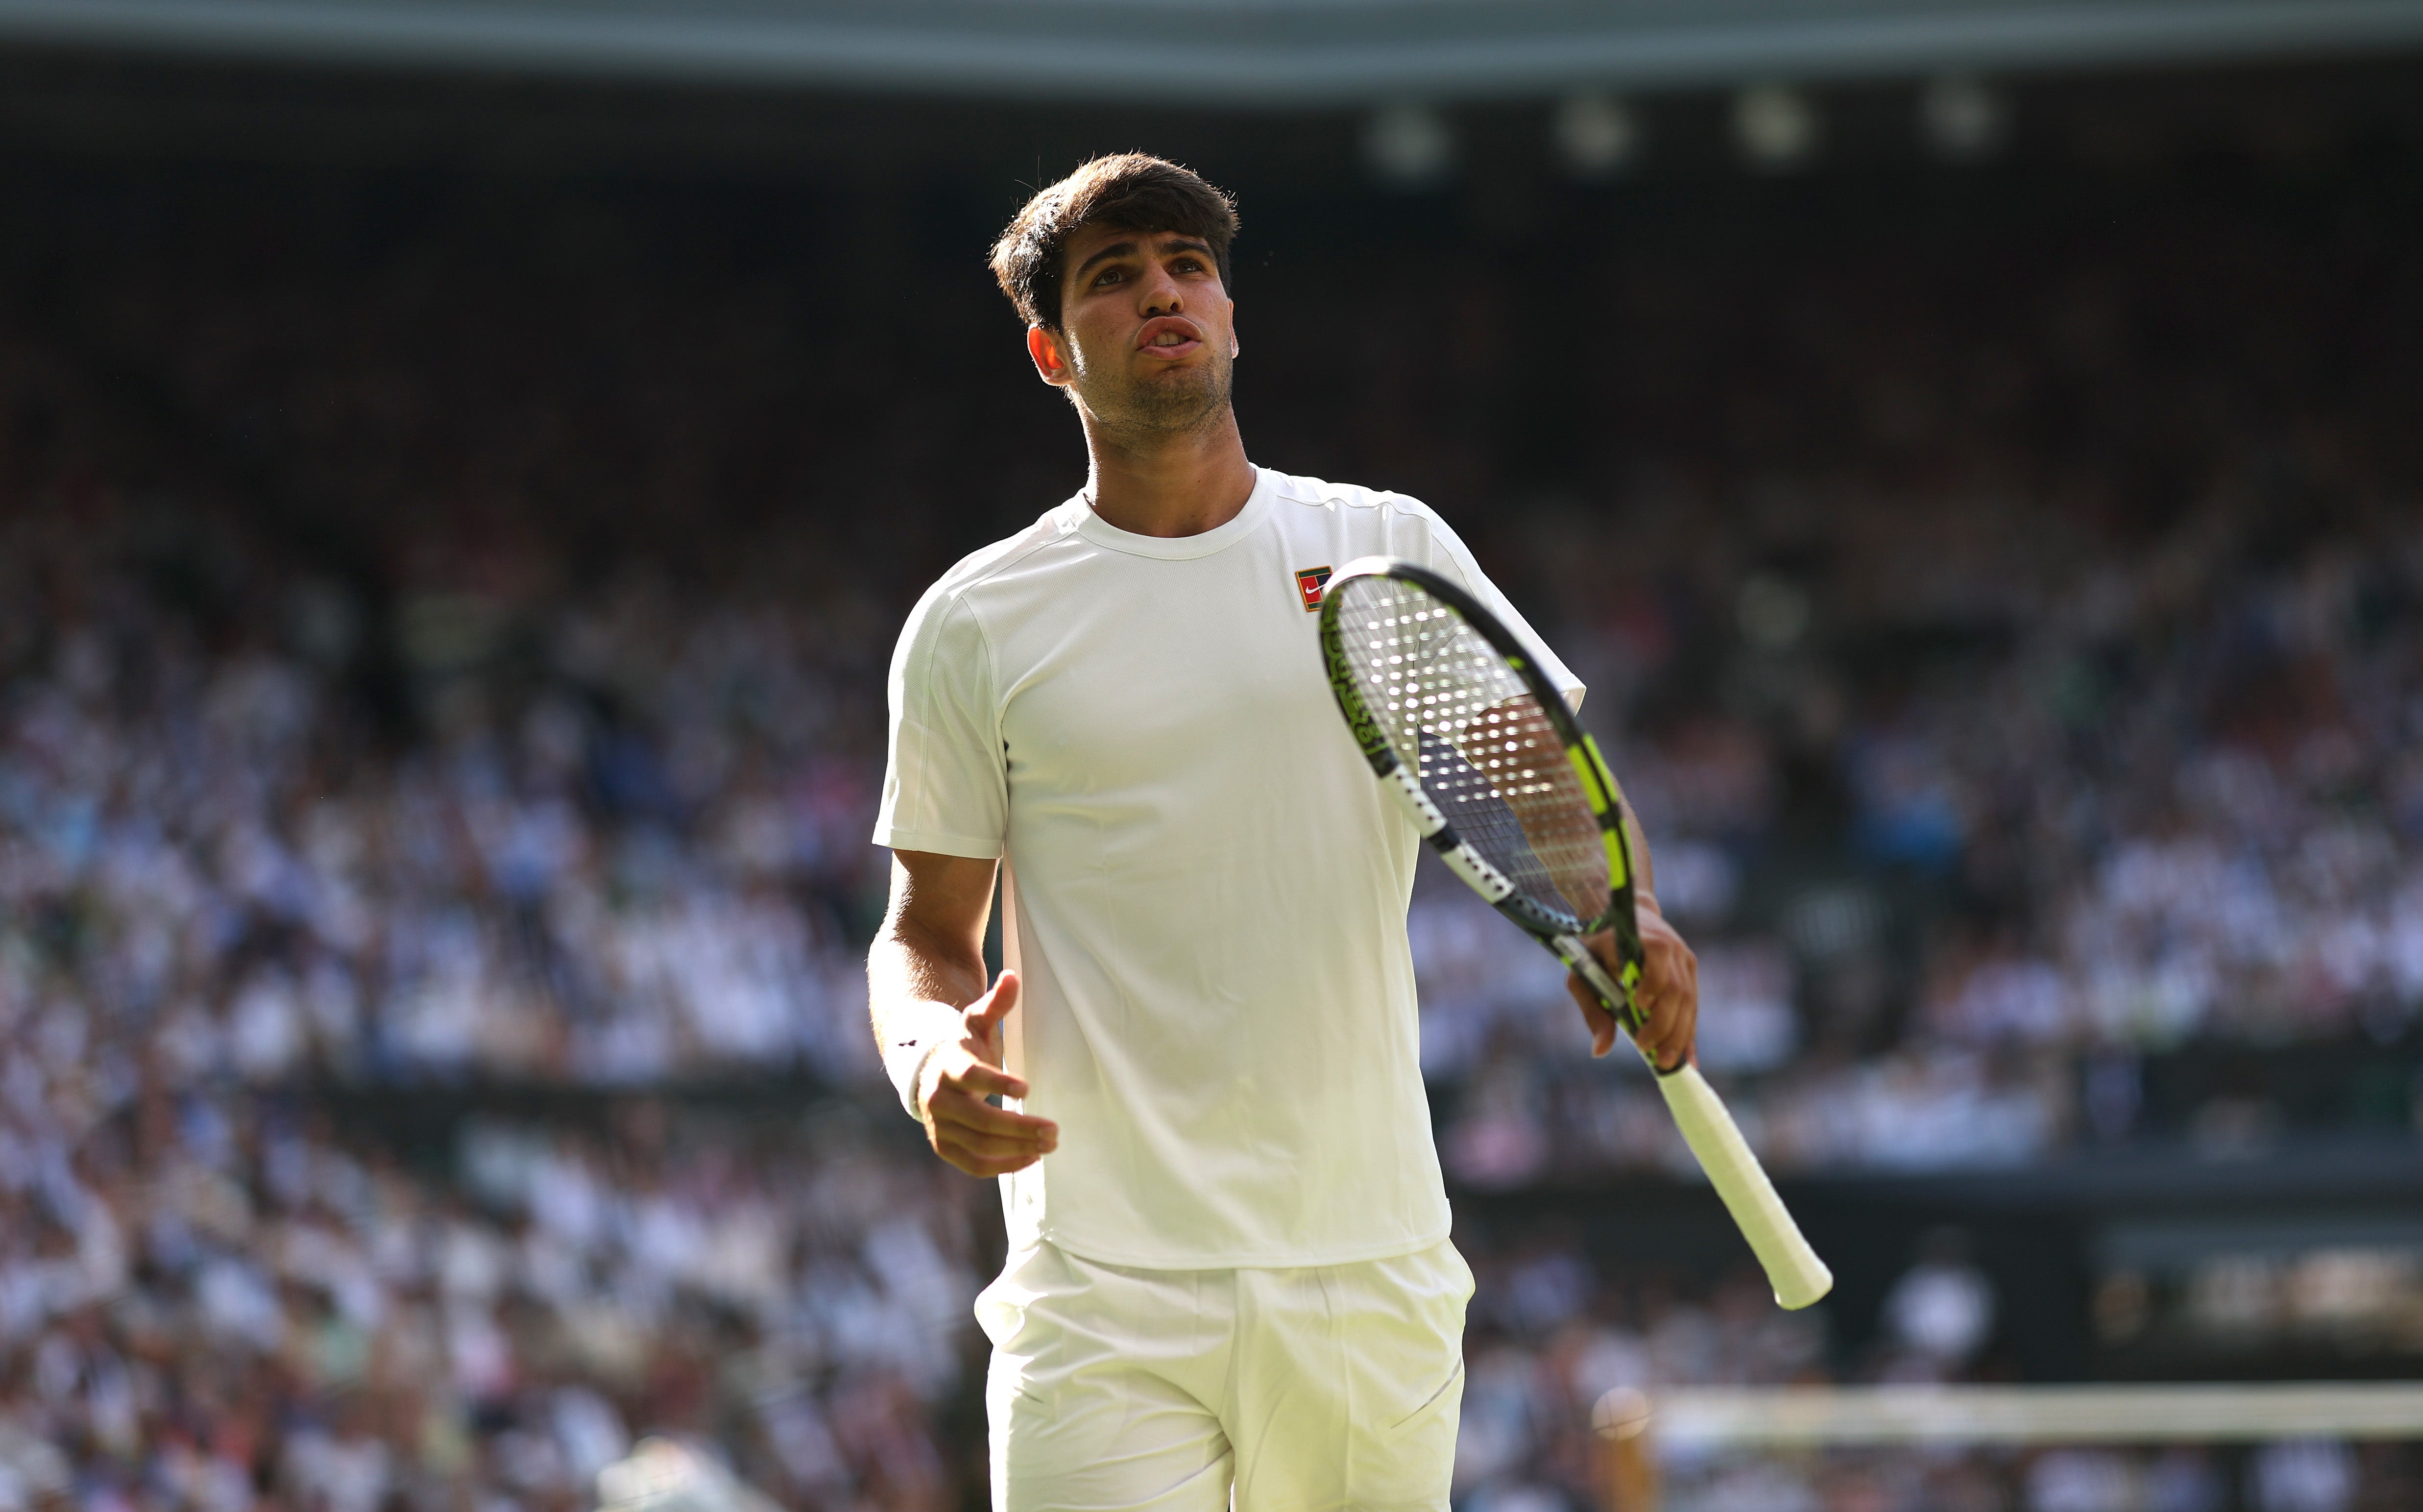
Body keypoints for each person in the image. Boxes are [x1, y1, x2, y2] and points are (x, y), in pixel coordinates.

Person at [865, 153, 1701, 1511]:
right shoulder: (976, 621)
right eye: (1113, 276)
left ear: (1233, 316)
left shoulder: (1382, 542)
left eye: (1188, 266)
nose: (1162, 293)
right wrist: (924, 1056)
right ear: (1047, 350)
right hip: (1100, 1293)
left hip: (1364, 1266)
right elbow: (923, 937)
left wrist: (1628, 912)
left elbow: (1553, 788)